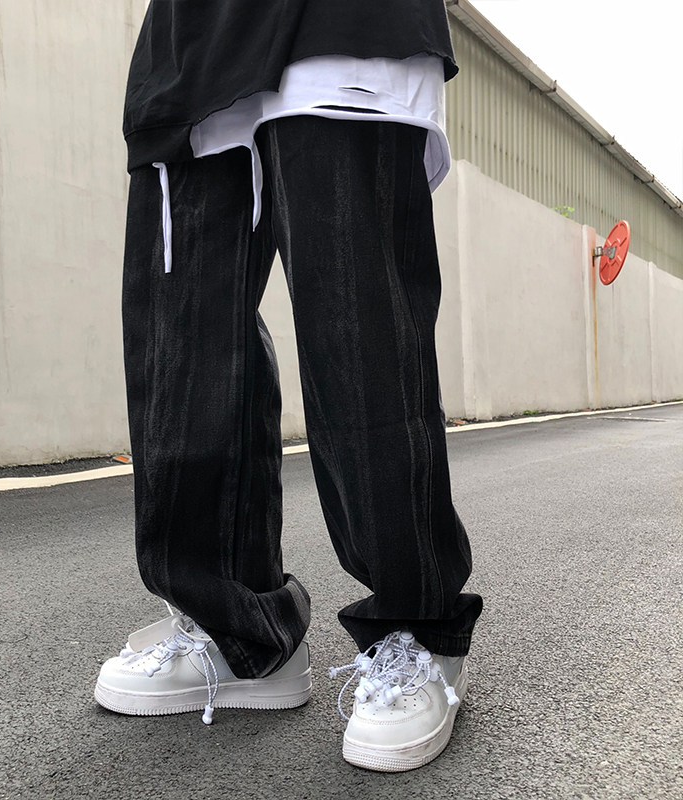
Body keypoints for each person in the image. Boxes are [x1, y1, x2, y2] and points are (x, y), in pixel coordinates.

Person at [95, 0, 483, 772]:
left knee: (360, 338)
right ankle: (238, 633)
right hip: (191, 53)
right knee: (182, 353)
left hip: (342, 30)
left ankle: (417, 632)